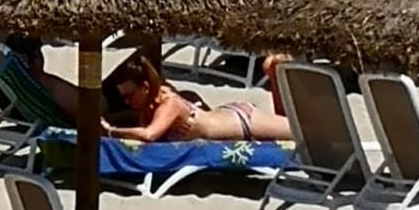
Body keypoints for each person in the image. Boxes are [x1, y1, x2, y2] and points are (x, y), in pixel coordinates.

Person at [104, 52, 292, 144]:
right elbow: (132, 118)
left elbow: (149, 134)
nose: (126, 101)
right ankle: (274, 73)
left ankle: (274, 72)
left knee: (299, 133)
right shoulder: (151, 101)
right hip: (225, 114)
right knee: (289, 124)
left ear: (145, 87)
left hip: (243, 121)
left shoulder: (169, 104)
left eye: (129, 96)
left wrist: (111, 131)